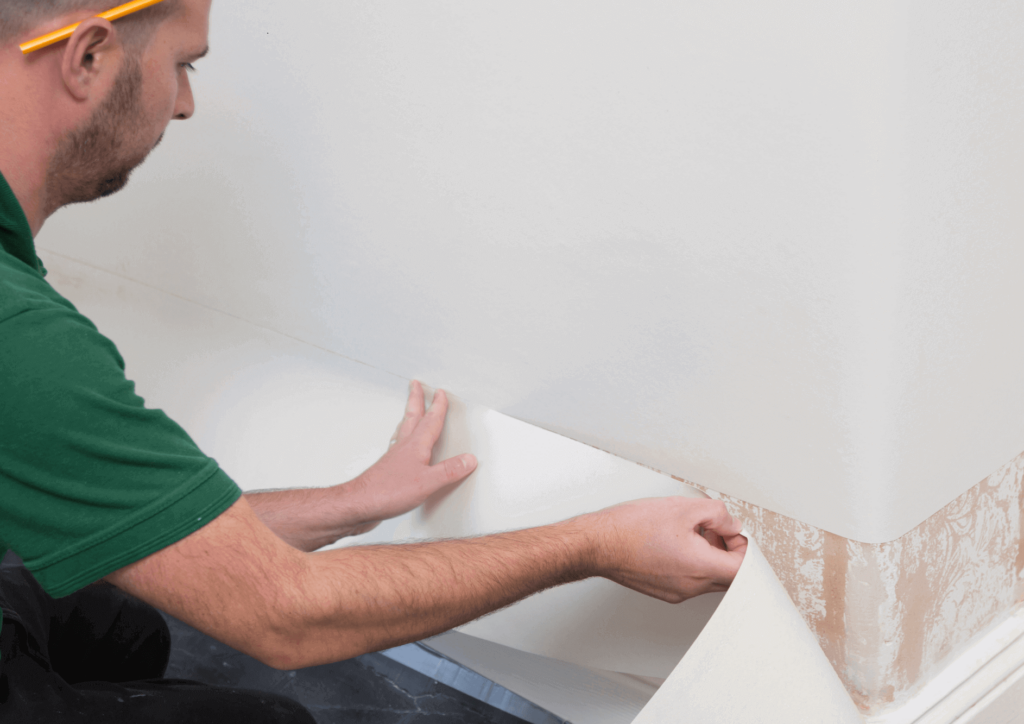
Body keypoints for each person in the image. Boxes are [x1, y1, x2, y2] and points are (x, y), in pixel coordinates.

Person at [0, 1, 748, 721]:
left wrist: (350, 503)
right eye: (182, 63)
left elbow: (154, 537)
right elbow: (284, 618)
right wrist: (596, 542)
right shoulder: (22, 336)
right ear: (88, 56)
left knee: (117, 620)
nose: (186, 102)